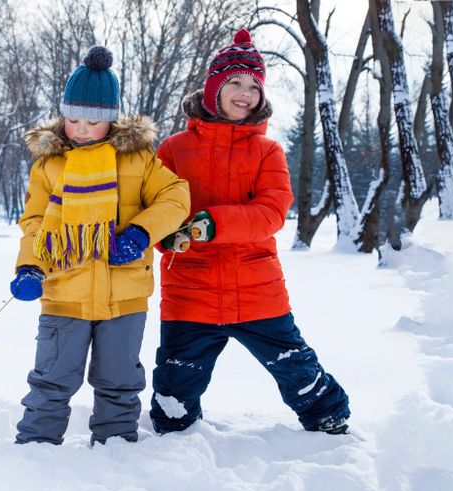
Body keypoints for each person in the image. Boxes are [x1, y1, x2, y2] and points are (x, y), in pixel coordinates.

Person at [149, 29, 351, 435]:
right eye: (235, 83)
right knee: (174, 394)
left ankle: (331, 427)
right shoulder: (173, 148)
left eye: (254, 86)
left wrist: (214, 224)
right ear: (213, 87)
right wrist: (164, 234)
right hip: (191, 290)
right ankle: (173, 448)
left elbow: (272, 212)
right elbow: (155, 205)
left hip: (256, 288)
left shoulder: (268, 151)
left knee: (297, 369)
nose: (245, 94)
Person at [10, 45, 190, 446]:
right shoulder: (50, 163)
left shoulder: (138, 159)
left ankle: (116, 447)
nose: (81, 129)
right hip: (64, 292)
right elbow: (35, 221)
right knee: (51, 379)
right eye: (72, 118)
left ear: (110, 120)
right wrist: (30, 267)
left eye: (93, 121)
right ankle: (35, 450)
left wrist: (141, 233)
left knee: (120, 381)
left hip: (123, 294)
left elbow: (176, 198)